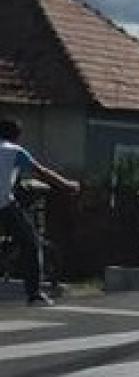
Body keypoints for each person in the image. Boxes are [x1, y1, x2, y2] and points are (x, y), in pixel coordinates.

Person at [0, 118, 80, 306]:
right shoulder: (15, 151)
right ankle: (34, 294)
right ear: (17, 137)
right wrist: (68, 185)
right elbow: (41, 172)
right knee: (31, 243)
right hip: (3, 204)